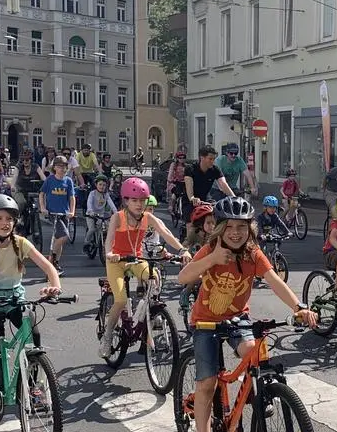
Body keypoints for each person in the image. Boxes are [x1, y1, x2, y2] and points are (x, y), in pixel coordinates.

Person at [176, 195, 318, 432]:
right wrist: (212, 259)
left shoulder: (253, 253)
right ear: (219, 229)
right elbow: (183, 277)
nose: (235, 232)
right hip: (205, 322)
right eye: (229, 227)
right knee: (207, 383)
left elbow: (274, 280)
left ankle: (257, 393)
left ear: (250, 228)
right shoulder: (211, 249)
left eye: (241, 226)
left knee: (253, 349)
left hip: (236, 318)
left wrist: (299, 307)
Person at [0, 194, 62, 407]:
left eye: (9, 219)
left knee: (34, 336)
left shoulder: (21, 243)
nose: (5, 223)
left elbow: (48, 267)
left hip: (15, 299)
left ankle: (33, 385)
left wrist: (54, 286)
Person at [99, 178, 191, 358]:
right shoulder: (118, 217)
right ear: (126, 201)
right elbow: (109, 240)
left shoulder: (147, 217)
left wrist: (182, 250)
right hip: (116, 261)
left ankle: (149, 312)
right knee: (120, 300)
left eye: (142, 200)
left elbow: (166, 232)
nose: (139, 204)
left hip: (136, 259)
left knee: (154, 277)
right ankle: (108, 336)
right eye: (134, 200)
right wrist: (110, 253)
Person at [38, 156, 76, 274]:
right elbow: (41, 194)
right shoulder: (50, 180)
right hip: (53, 213)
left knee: (59, 239)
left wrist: (72, 211)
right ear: (54, 168)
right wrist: (43, 207)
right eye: (59, 166)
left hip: (64, 213)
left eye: (64, 166)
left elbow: (72, 197)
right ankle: (52, 257)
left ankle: (56, 263)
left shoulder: (68, 181)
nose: (62, 169)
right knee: (64, 236)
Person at [184, 145, 236, 219]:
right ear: (202, 158)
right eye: (210, 159)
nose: (212, 161)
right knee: (191, 222)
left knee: (216, 217)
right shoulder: (190, 169)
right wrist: (192, 198)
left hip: (206, 199)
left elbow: (223, 184)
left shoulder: (215, 169)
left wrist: (234, 198)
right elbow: (189, 186)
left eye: (214, 159)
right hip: (190, 200)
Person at [85, 175, 117, 243]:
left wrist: (116, 212)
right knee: (92, 229)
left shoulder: (106, 195)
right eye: (100, 184)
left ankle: (101, 243)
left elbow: (111, 203)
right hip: (91, 215)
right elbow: (89, 203)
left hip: (101, 215)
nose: (102, 187)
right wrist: (90, 211)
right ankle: (86, 242)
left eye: (104, 185)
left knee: (106, 228)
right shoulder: (92, 193)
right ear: (96, 184)